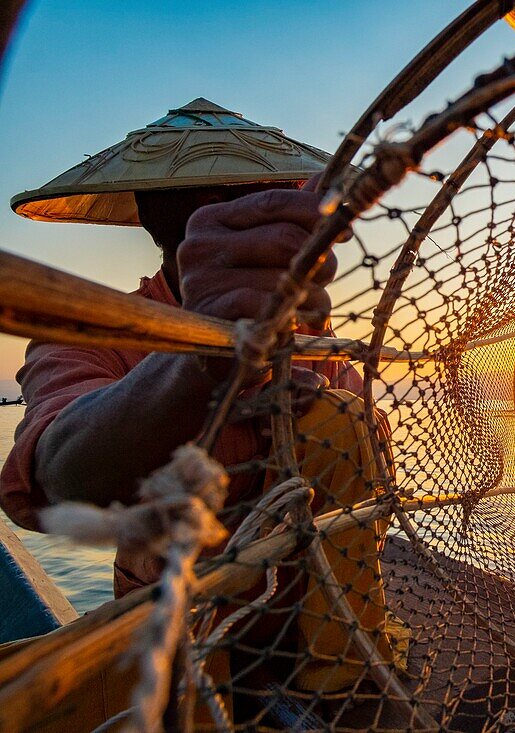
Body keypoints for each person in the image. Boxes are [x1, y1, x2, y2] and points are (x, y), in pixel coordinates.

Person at [0, 100, 398, 716]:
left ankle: (341, 683)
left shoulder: (310, 342)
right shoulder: (90, 331)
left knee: (342, 414)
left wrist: (316, 409)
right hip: (174, 628)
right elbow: (57, 478)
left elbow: (375, 471)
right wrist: (205, 359)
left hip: (319, 622)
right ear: (168, 225)